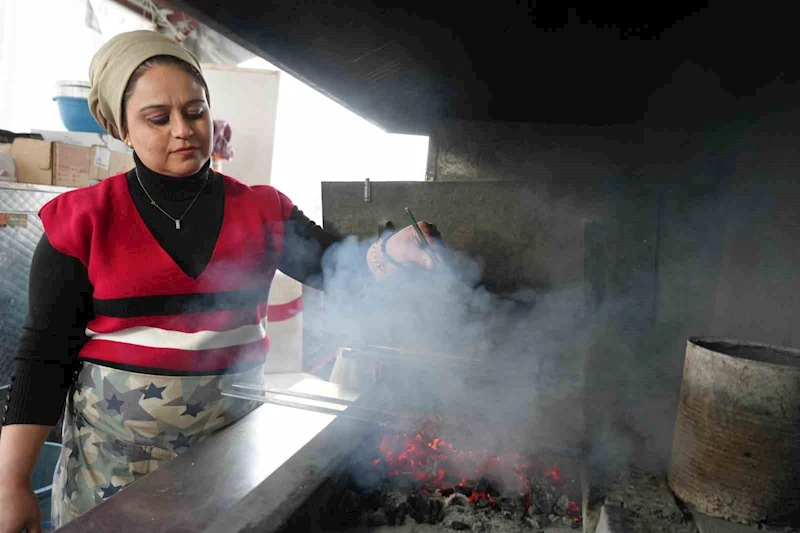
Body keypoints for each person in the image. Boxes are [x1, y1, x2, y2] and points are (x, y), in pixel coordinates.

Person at [0, 30, 440, 533]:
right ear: (121, 127)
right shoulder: (83, 221)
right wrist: (11, 482)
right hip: (111, 475)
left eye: (195, 111)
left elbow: (341, 269)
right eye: (157, 118)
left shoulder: (261, 210)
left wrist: (391, 251)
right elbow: (42, 357)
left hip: (228, 466)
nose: (183, 130)